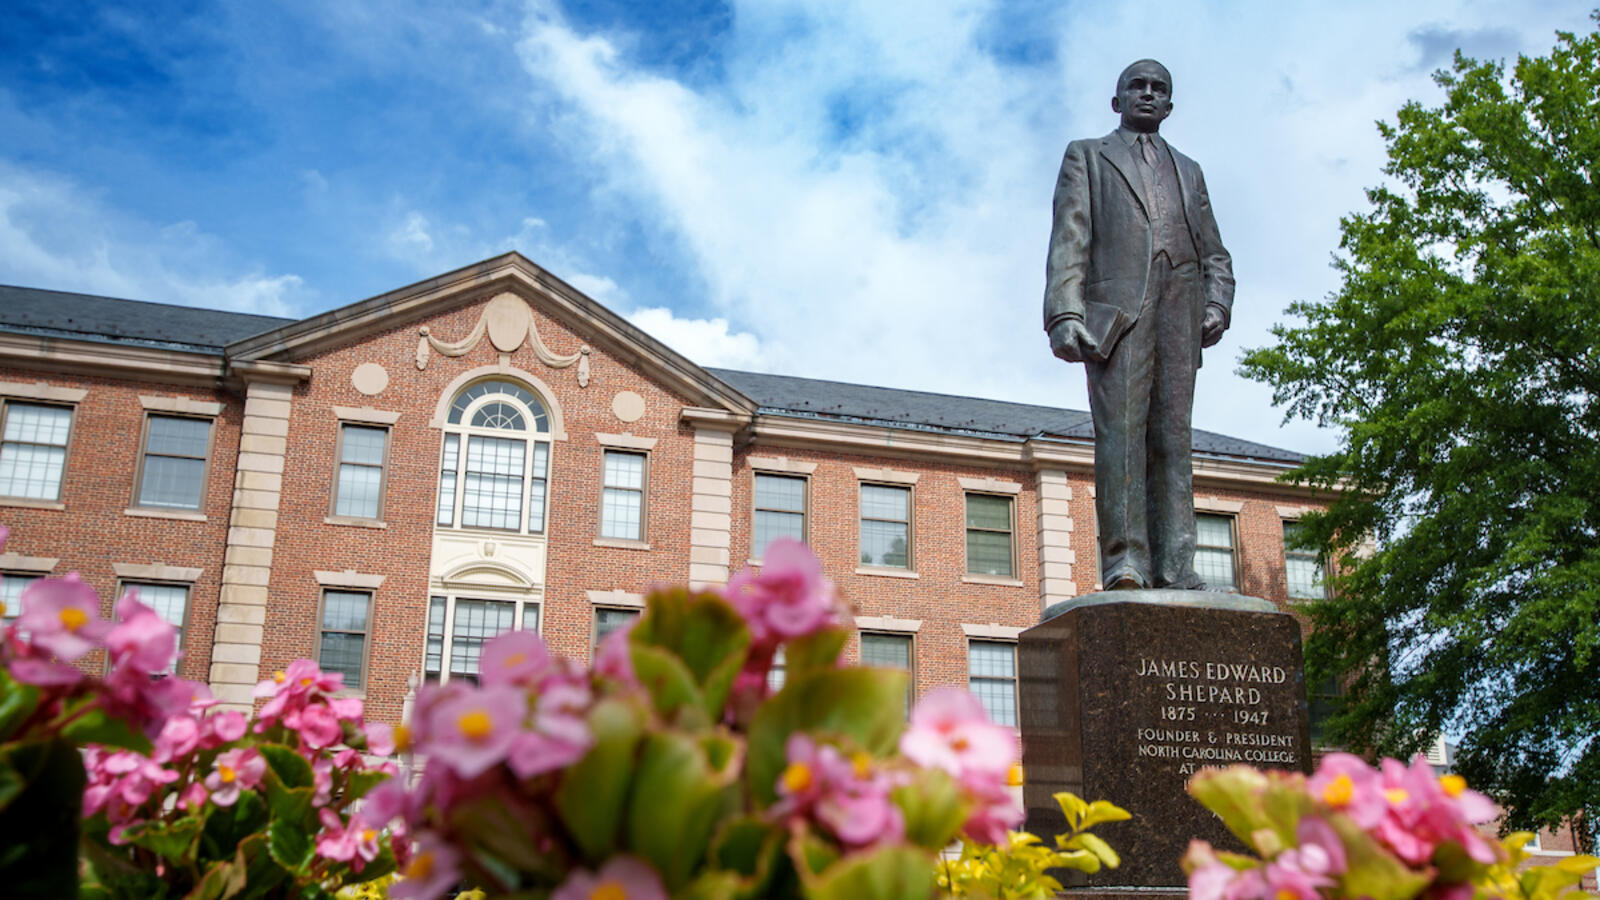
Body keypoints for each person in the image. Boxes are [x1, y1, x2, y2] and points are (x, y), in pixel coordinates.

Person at [1043, 59, 1234, 591]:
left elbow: (1215, 251)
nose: (1147, 95)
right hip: (1120, 314)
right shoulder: (1088, 155)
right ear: (1117, 100)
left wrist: (1217, 304)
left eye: (1159, 89)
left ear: (1169, 105)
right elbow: (1070, 236)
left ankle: (1176, 563)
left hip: (1183, 308)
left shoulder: (1190, 170)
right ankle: (1125, 560)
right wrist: (1064, 312)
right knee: (1122, 437)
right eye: (1137, 86)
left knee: (1174, 440)